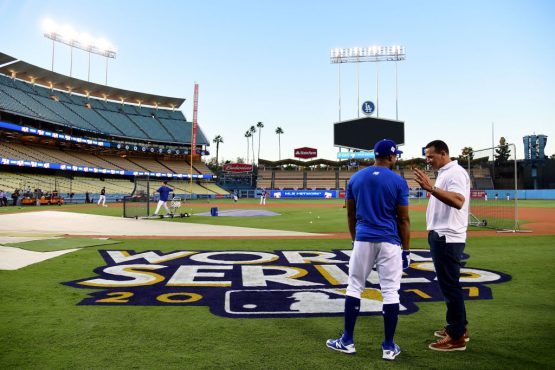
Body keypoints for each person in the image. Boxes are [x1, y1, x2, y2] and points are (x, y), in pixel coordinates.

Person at [326, 139, 411, 361]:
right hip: (390, 241)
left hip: (363, 238)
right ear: (391, 156)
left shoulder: (355, 178)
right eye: (396, 155)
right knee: (391, 291)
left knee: (354, 287)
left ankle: (347, 341)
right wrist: (407, 251)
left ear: (376, 155)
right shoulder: (399, 181)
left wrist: (355, 241)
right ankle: (389, 347)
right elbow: (403, 219)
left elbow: (350, 215)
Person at [413, 140, 471, 351]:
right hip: (442, 235)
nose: (428, 161)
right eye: (426, 157)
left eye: (431, 156)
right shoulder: (446, 172)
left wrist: (431, 188)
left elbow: (458, 200)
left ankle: (456, 337)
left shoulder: (454, 172)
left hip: (447, 236)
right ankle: (459, 327)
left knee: (450, 285)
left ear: (444, 153)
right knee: (449, 284)